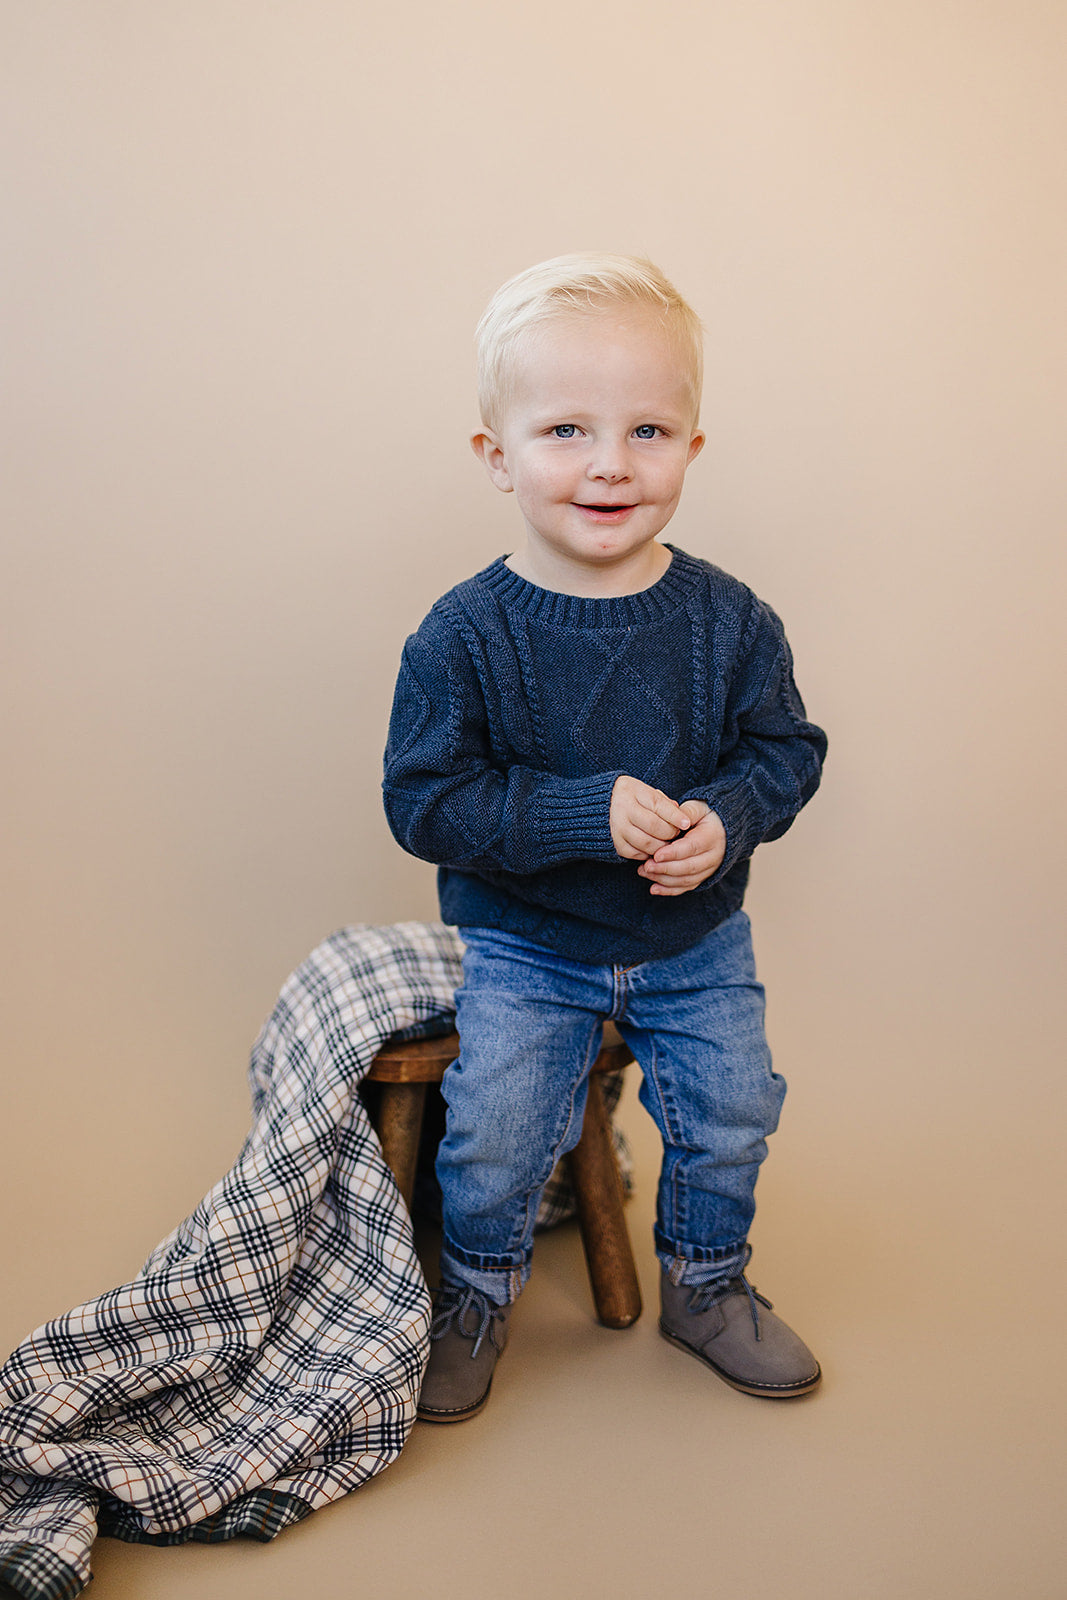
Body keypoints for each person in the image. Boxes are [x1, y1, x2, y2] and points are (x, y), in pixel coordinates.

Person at [382, 253, 827, 1422]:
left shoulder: (729, 620)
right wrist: (582, 809)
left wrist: (726, 819)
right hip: (530, 944)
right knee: (495, 1128)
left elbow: (786, 751)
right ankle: (474, 1292)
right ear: (497, 455)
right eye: (565, 428)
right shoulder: (464, 634)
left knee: (733, 1107)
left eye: (646, 429)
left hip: (691, 939)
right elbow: (423, 800)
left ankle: (705, 1284)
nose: (608, 463)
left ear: (689, 447)